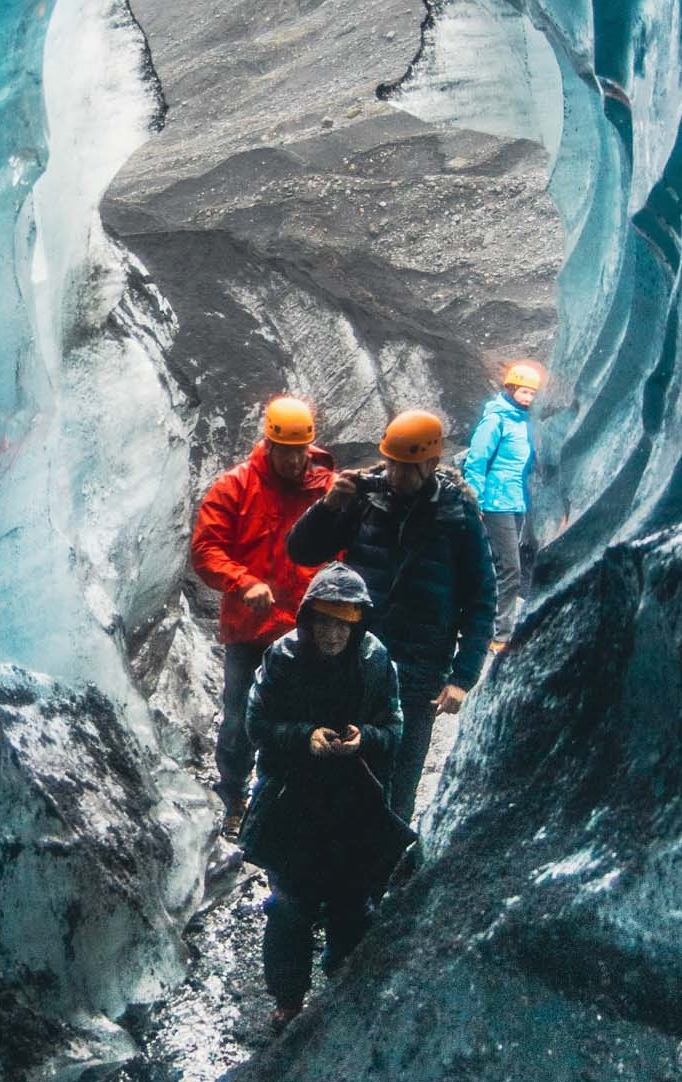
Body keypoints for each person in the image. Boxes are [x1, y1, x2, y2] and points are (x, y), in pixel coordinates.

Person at [286, 409, 495, 827]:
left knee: (399, 780)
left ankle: (381, 875)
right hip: (355, 661)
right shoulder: (364, 501)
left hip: (418, 671)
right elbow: (302, 551)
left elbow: (480, 600)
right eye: (393, 463)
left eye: (406, 466)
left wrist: (462, 677)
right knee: (339, 769)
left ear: (431, 464)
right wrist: (328, 508)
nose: (396, 474)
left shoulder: (458, 518)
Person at [238, 563, 410, 1029]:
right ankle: (288, 999)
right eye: (324, 621)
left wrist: (365, 740)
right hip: (293, 798)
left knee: (353, 901)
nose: (332, 634)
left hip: (353, 801)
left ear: (358, 624)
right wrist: (304, 737)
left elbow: (395, 729)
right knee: (290, 903)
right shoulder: (283, 658)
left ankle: (345, 986)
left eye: (342, 623)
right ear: (308, 619)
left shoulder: (377, 662)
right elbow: (257, 725)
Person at [190, 395, 336, 834]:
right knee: (239, 719)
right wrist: (243, 581)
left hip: (305, 628)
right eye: (287, 451)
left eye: (301, 451)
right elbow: (206, 549)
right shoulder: (234, 487)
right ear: (268, 443)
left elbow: (346, 549)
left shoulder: (327, 490)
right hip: (251, 629)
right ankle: (233, 798)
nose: (295, 461)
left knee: (304, 719)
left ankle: (288, 800)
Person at [465, 360, 544, 651]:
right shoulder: (495, 420)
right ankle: (499, 634)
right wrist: (477, 500)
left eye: (532, 393)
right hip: (495, 501)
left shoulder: (522, 421)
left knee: (505, 566)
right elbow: (476, 461)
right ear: (510, 388)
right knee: (510, 567)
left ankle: (492, 625)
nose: (528, 398)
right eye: (524, 392)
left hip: (515, 501)